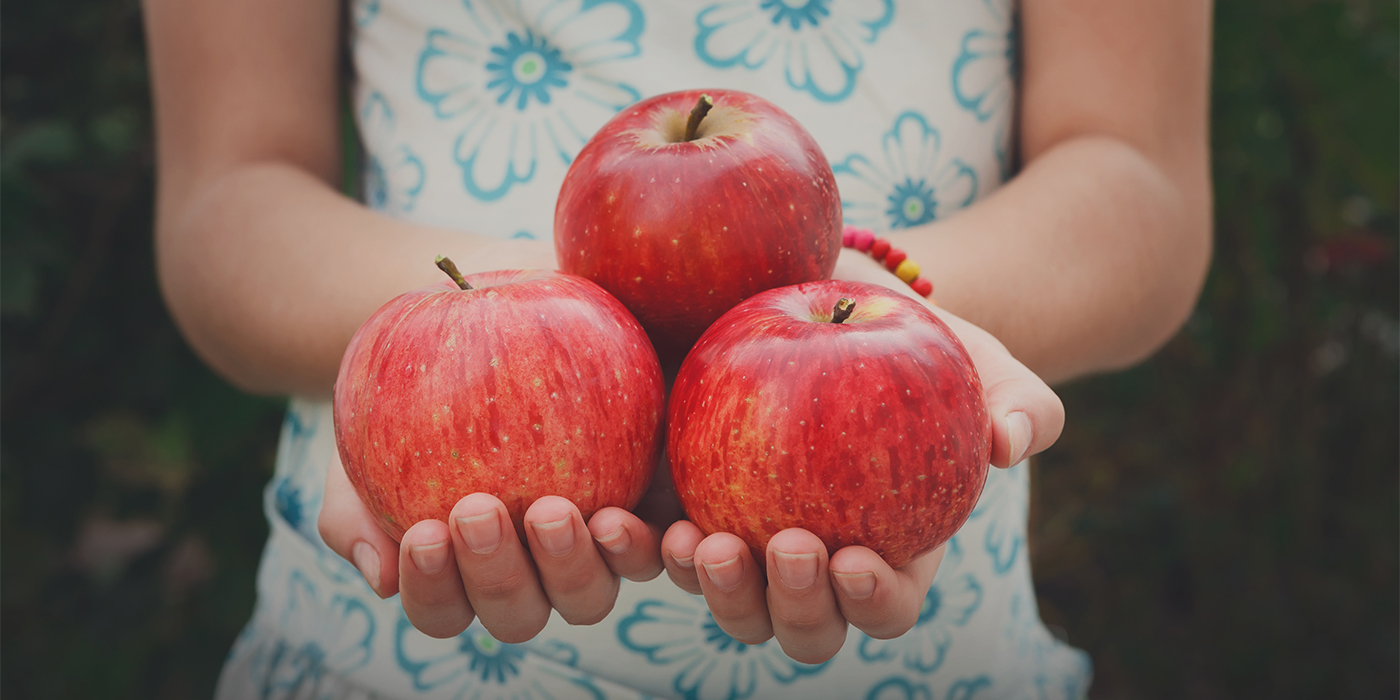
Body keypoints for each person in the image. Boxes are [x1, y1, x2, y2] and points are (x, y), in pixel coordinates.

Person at [143, 0, 1211, 697]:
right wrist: (519, 318)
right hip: (382, 648)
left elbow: (1135, 182)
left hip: (933, 651)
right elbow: (226, 204)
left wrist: (853, 319)